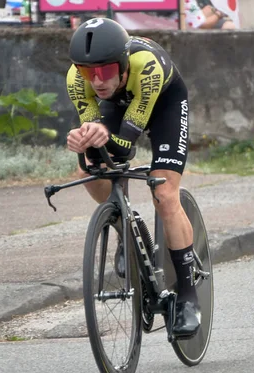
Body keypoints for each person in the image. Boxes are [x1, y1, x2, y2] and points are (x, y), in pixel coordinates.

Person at [65, 18, 200, 338]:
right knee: (89, 169)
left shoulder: (147, 67)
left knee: (165, 193)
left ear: (124, 65)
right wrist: (82, 141)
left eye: (106, 71)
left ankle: (187, 297)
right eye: (88, 72)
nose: (97, 81)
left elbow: (124, 147)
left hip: (163, 102)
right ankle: (125, 224)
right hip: (120, 105)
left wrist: (102, 137)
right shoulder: (75, 79)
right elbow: (100, 153)